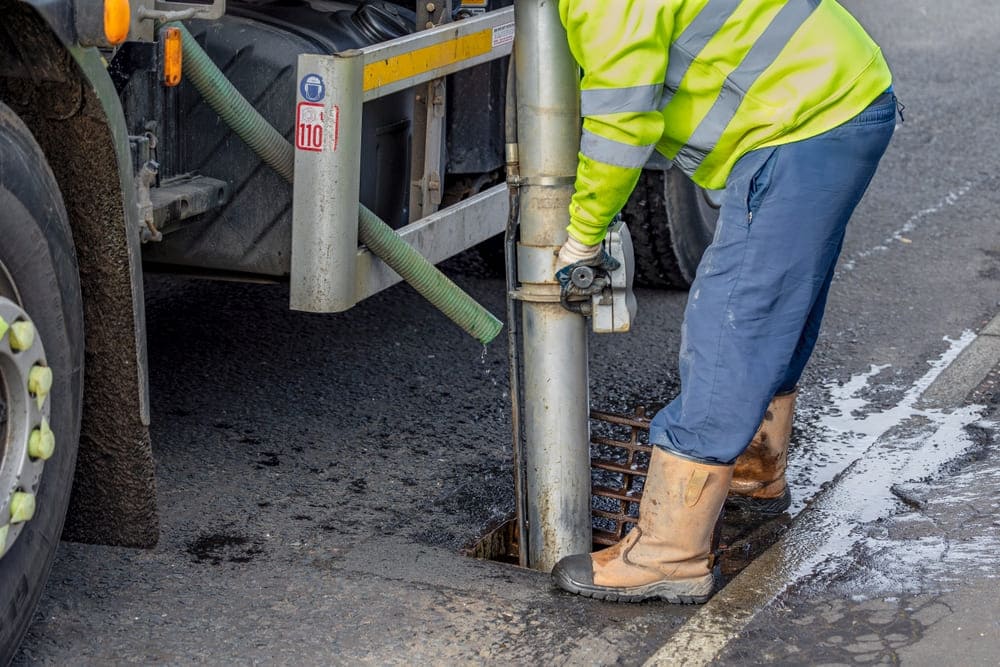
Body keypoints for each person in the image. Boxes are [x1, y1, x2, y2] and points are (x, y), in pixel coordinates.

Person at [550, 0, 898, 603]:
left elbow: (620, 126)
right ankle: (755, 466)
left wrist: (581, 238)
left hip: (802, 119)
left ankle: (669, 554)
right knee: (780, 301)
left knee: (733, 323)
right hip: (841, 95)